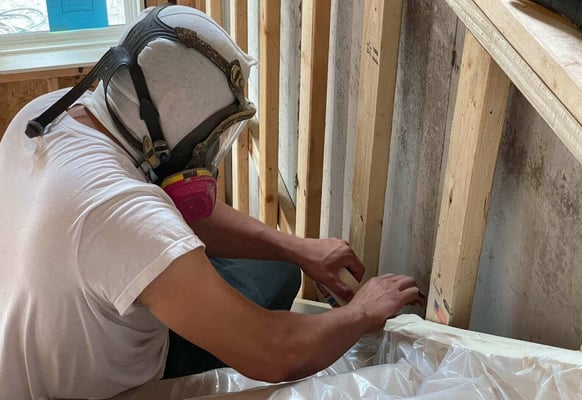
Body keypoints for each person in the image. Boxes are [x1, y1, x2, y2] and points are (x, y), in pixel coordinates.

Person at [0, 4, 422, 399]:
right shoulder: (117, 213)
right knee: (276, 284)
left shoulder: (46, 114)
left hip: (41, 350)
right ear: (169, 111)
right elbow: (275, 352)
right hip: (96, 387)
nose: (208, 152)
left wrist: (300, 249)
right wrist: (362, 312)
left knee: (277, 264)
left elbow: (169, 214)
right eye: (209, 134)